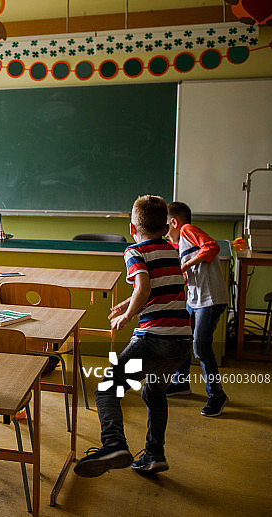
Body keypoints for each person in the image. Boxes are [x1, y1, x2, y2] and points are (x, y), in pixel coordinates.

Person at [74, 195, 192, 478]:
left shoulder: (134, 251)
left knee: (107, 390)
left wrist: (128, 316)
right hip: (181, 341)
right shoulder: (172, 250)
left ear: (131, 228)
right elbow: (160, 290)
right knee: (154, 393)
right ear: (165, 228)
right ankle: (154, 454)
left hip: (154, 338)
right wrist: (129, 304)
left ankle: (114, 444)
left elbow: (144, 287)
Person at [165, 201, 229, 416]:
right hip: (195, 300)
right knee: (183, 340)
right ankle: (181, 383)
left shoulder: (187, 230)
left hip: (210, 301)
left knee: (201, 347)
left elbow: (212, 247)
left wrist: (184, 265)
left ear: (174, 222)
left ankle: (217, 395)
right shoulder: (180, 241)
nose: (166, 233)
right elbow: (192, 272)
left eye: (166, 227)